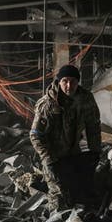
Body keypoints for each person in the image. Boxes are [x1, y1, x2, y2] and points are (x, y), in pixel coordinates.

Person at [30, 65, 102, 211]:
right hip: (53, 156)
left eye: (73, 82)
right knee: (59, 199)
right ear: (59, 82)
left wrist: (95, 151)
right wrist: (48, 160)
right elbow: (36, 136)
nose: (69, 86)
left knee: (82, 195)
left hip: (73, 153)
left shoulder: (85, 99)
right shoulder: (48, 104)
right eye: (65, 81)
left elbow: (93, 126)